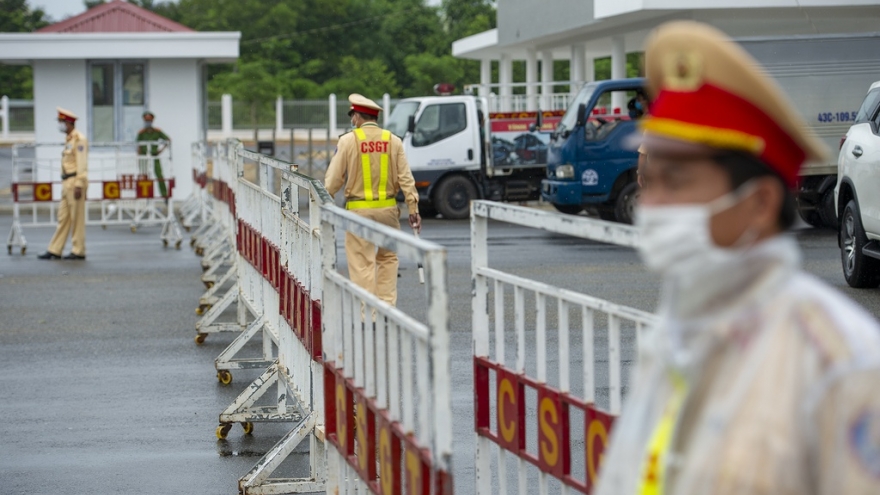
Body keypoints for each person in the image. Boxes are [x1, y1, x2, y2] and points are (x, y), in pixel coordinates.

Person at [594, 21, 880, 495]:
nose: (653, 207)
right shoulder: (679, 331)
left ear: (759, 204)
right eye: (652, 181)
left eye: (678, 182)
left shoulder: (836, 364)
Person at [325, 94, 421, 307]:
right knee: (387, 259)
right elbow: (406, 178)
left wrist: (324, 199)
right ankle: (387, 307)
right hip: (388, 211)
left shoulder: (348, 140)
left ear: (358, 116)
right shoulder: (393, 141)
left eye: (353, 117)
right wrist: (413, 209)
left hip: (359, 213)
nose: (352, 121)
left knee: (362, 263)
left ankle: (369, 311)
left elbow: (333, 180)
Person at [38, 108, 89, 260]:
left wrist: (79, 183)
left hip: (75, 182)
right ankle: (55, 249)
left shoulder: (79, 139)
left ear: (68, 123)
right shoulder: (69, 139)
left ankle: (78, 250)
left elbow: (82, 163)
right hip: (67, 181)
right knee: (63, 217)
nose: (59, 125)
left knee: (77, 218)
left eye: (61, 122)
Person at [137, 111, 170, 198]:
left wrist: (161, 150)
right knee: (144, 176)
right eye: (146, 120)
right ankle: (145, 196)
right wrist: (139, 155)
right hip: (144, 157)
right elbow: (137, 145)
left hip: (154, 156)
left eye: (149, 120)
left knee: (159, 175)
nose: (148, 122)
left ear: (152, 121)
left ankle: (164, 195)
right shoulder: (141, 133)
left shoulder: (157, 132)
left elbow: (168, 140)